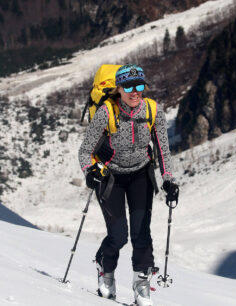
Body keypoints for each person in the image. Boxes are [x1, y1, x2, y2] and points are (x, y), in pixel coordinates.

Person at [78, 64, 179, 305]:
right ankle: (106, 267)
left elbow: (163, 150)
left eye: (140, 86)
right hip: (110, 177)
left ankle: (141, 283)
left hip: (141, 175)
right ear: (119, 89)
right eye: (129, 87)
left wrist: (168, 180)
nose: (135, 92)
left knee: (141, 233)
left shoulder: (153, 111)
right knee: (119, 234)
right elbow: (84, 151)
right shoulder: (106, 112)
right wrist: (89, 171)